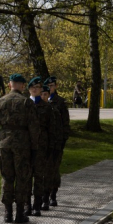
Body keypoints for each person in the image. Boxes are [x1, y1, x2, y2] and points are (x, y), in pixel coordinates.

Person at [0, 73, 40, 224]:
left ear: (10, 84)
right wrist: (34, 148)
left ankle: (7, 212)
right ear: (22, 85)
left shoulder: (0, 102)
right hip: (22, 144)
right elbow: (34, 128)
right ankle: (19, 212)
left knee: (7, 177)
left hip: (4, 143)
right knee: (22, 177)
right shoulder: (26, 103)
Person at [25, 78, 58, 217]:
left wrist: (51, 147)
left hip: (41, 146)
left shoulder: (47, 107)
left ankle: (37, 205)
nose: (35, 89)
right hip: (25, 145)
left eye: (37, 87)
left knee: (39, 176)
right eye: (32, 87)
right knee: (25, 176)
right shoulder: (24, 105)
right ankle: (27, 205)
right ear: (29, 89)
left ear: (41, 89)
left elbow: (52, 129)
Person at [45, 75, 70, 207]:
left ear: (55, 86)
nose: (50, 88)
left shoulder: (60, 102)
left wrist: (63, 139)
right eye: (48, 86)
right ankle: (43, 195)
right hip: (44, 142)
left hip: (57, 142)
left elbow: (66, 122)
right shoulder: (42, 100)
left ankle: (53, 195)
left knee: (54, 169)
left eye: (52, 86)